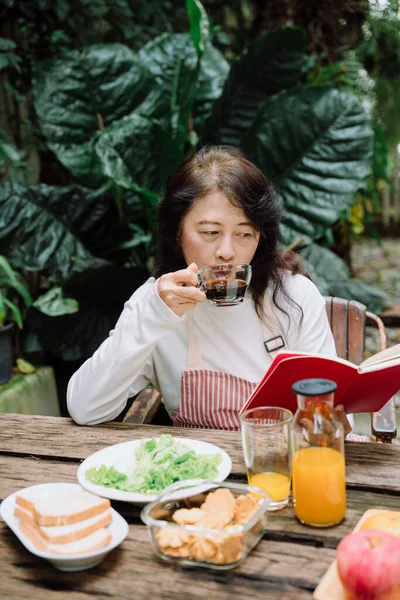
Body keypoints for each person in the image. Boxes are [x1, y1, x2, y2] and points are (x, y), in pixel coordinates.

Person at [67, 145, 353, 434]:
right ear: (177, 232)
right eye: (210, 233)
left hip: (281, 468)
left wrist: (330, 423)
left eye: (244, 233)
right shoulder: (155, 302)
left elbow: (332, 409)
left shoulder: (293, 296)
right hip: (195, 473)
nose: (227, 252)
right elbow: (85, 408)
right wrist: (154, 316)